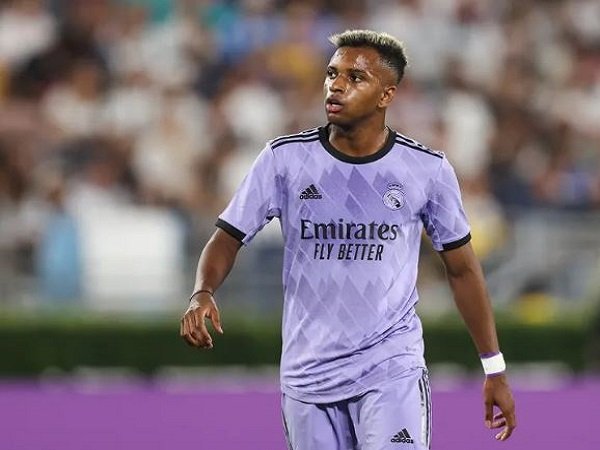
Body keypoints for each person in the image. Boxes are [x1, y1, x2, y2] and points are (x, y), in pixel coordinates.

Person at [180, 29, 516, 450]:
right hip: (308, 377)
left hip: (391, 370)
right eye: (332, 73)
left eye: (355, 78)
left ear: (386, 95)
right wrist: (202, 291)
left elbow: (463, 269)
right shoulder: (284, 160)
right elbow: (227, 237)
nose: (336, 85)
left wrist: (494, 367)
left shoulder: (426, 170)